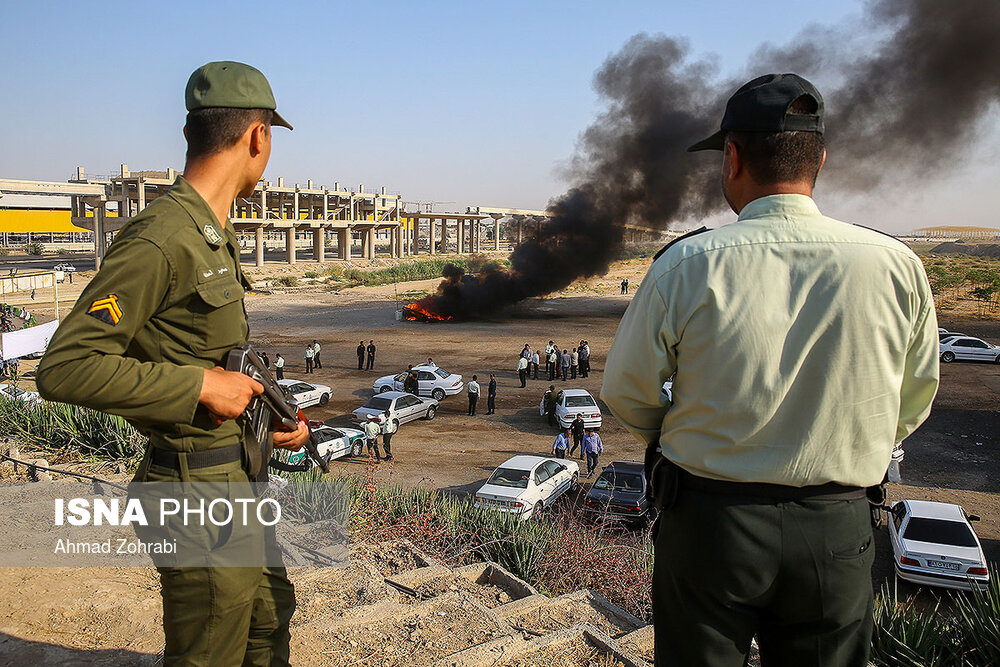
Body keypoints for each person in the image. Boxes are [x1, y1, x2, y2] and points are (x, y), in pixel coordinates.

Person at [600, 73, 939, 667]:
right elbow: (914, 398)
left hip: (710, 523)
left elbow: (628, 393)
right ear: (822, 159)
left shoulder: (687, 265)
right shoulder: (896, 265)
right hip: (837, 528)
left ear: (730, 157)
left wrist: (683, 435)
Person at [35, 61, 306, 666]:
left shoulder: (211, 231)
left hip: (235, 478)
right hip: (193, 489)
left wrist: (267, 417)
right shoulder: (161, 238)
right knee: (209, 650)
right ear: (258, 137)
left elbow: (201, 352)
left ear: (190, 134)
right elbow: (65, 366)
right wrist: (200, 385)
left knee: (267, 625)